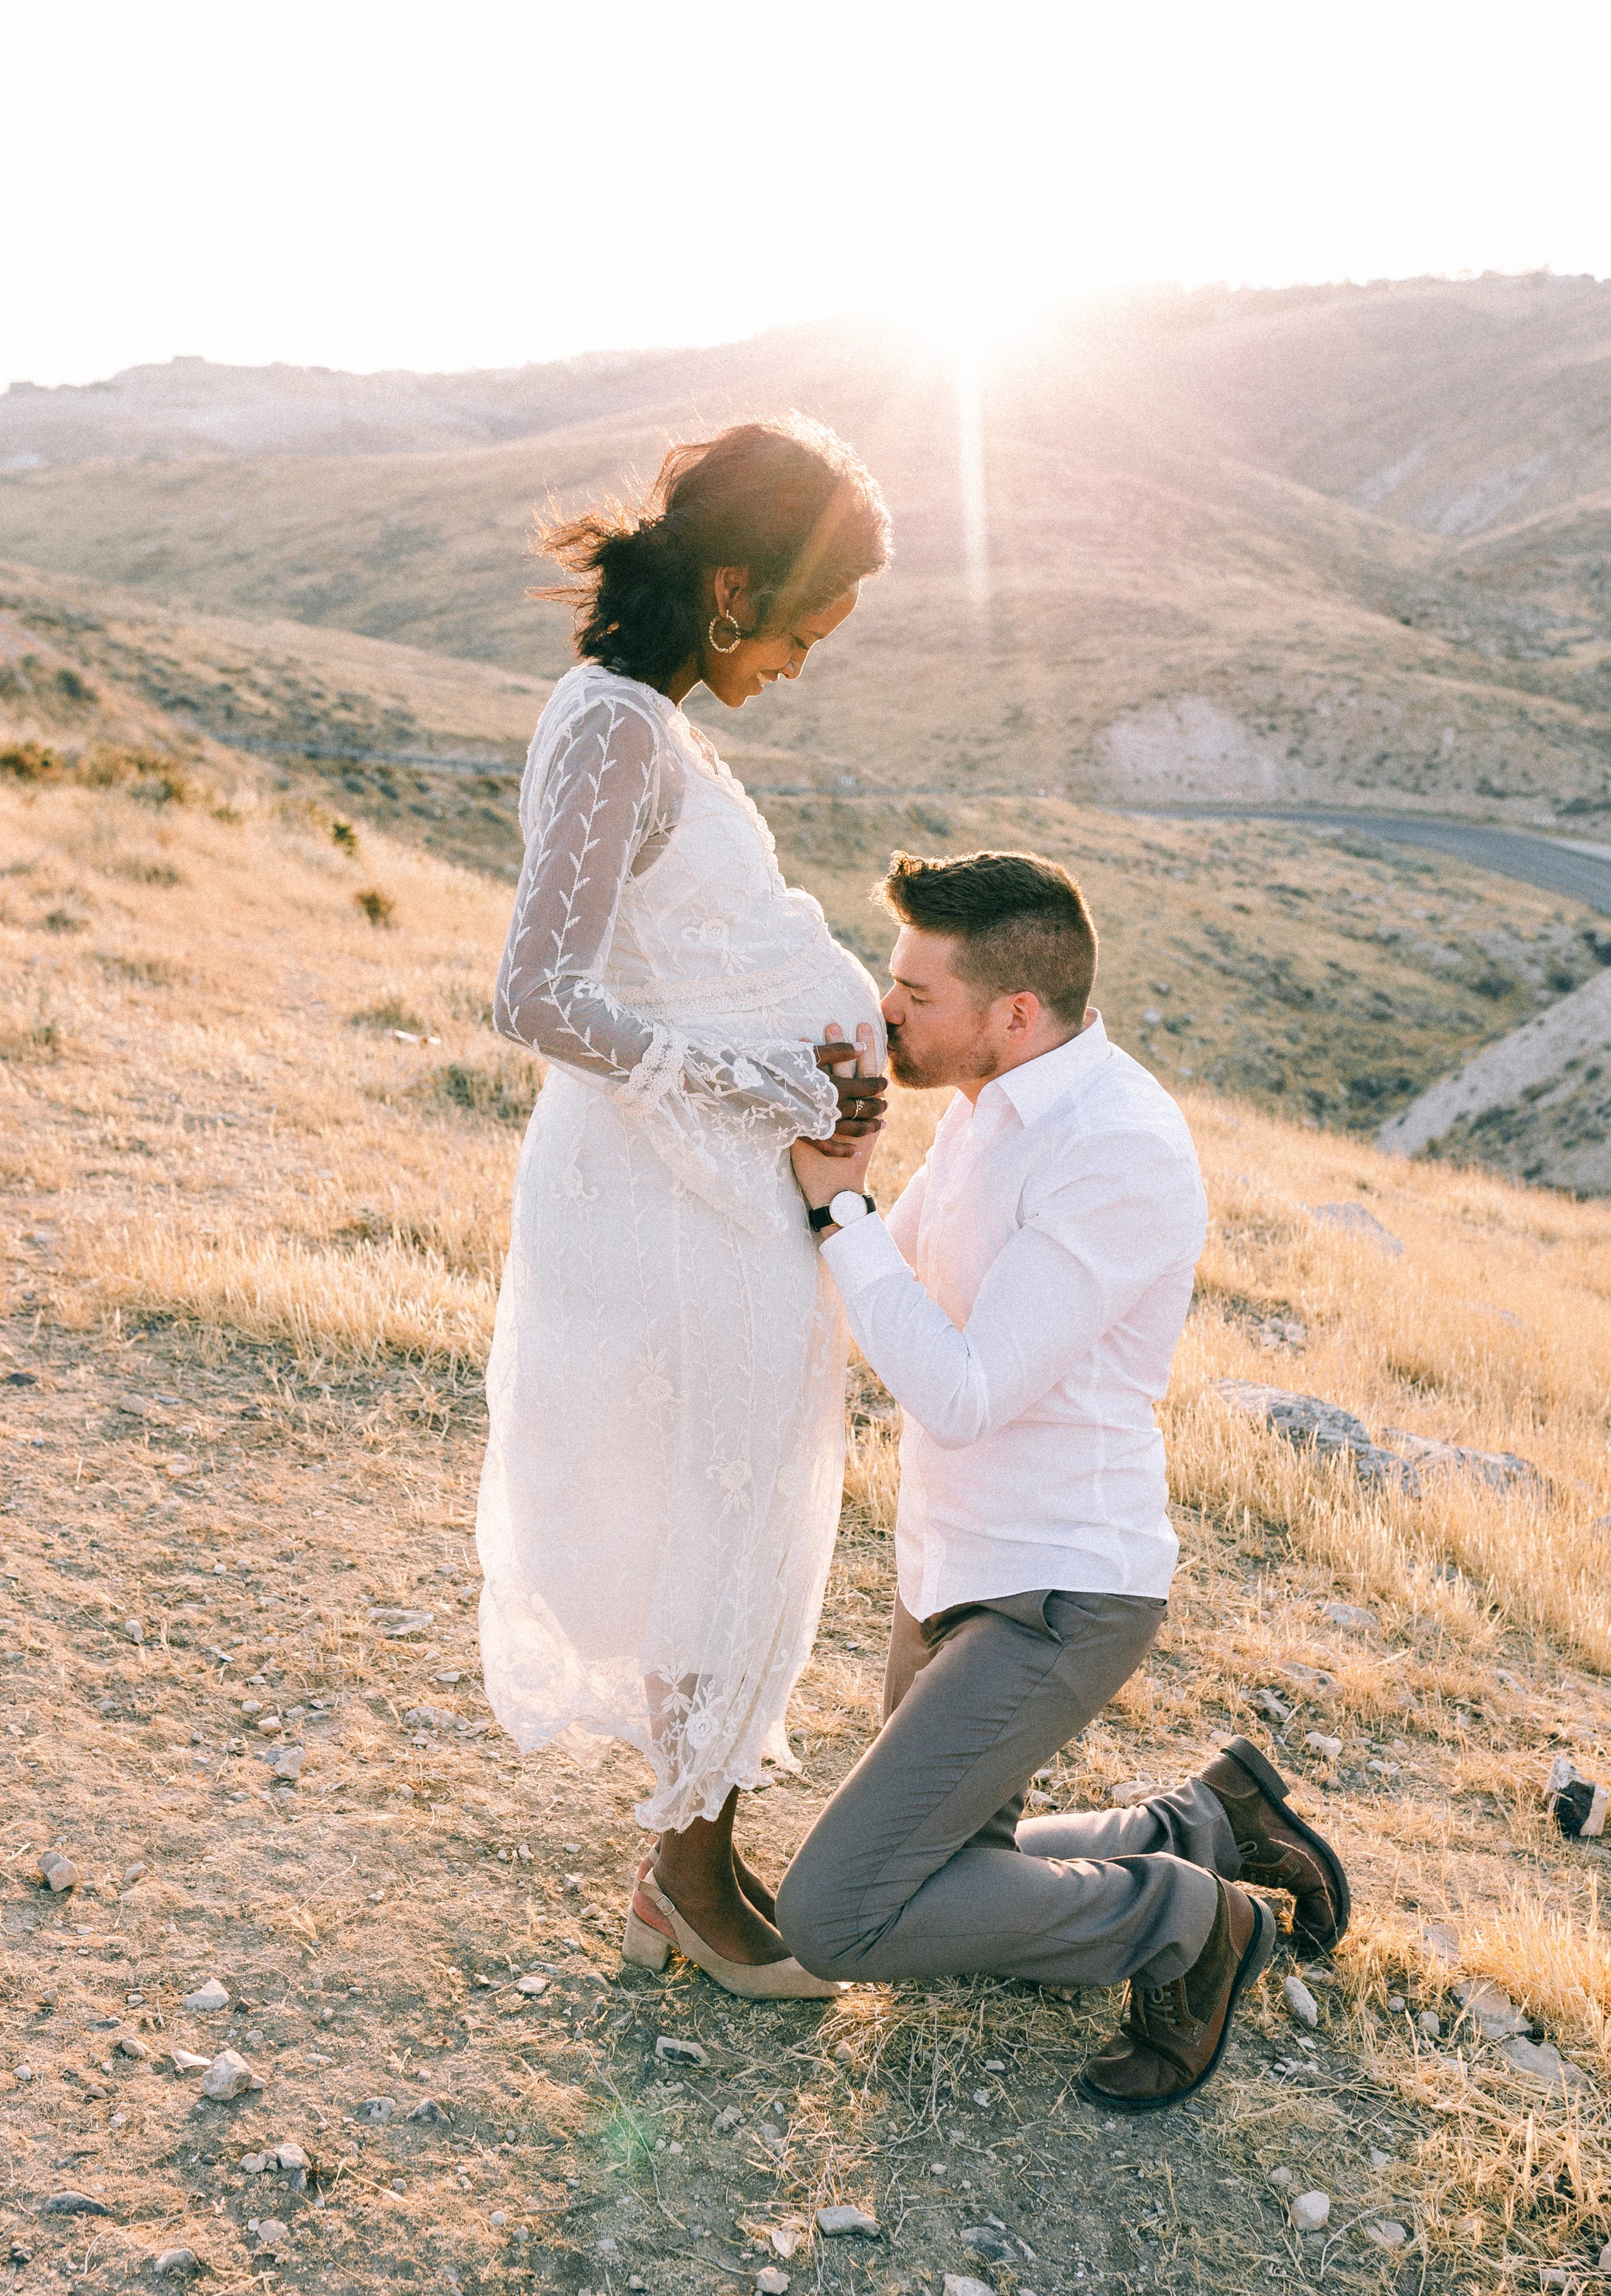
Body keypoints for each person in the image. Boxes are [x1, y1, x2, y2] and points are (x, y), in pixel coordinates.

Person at [779, 849, 1349, 2105]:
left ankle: (1189, 1922)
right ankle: (1201, 1825)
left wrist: (840, 1217)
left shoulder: (1116, 1149)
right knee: (936, 1878)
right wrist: (850, 1176)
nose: (889, 1016)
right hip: (950, 1562)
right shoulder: (989, 1104)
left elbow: (965, 1389)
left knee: (838, 1919)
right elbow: (905, 1275)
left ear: (1012, 1014)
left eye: (913, 995)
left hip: (1059, 1591)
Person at [476, 415, 894, 1998]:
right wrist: (774, 1090)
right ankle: (687, 1873)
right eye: (798, 629)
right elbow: (535, 995)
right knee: (715, 1502)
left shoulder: (652, 725)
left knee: (737, 1495)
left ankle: (694, 1851)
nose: (796, 664)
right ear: (731, 590)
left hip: (709, 1191)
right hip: (658, 1197)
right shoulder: (609, 732)